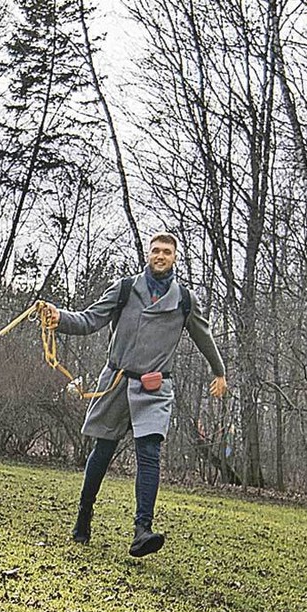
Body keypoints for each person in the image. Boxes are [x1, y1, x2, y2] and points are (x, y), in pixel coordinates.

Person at [40, 232, 227, 557]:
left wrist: (219, 371)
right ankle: (84, 513)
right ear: (148, 254)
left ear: (175, 257)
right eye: (156, 250)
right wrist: (60, 318)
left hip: (155, 387)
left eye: (166, 251)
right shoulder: (125, 289)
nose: (160, 256)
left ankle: (143, 530)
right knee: (103, 450)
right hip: (116, 381)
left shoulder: (184, 299)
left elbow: (203, 336)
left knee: (149, 452)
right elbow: (90, 319)